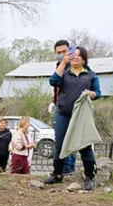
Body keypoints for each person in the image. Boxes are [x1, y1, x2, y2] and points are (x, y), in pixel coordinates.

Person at [43, 46, 100, 190]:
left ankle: (90, 177)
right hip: (63, 113)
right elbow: (53, 81)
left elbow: (98, 92)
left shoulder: (91, 75)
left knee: (85, 145)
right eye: (73, 56)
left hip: (80, 115)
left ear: (84, 59)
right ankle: (57, 174)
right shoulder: (65, 73)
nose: (75, 58)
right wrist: (63, 63)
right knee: (59, 145)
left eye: (78, 56)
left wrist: (92, 94)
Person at [51, 39, 77, 174]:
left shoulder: (75, 65)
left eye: (64, 51)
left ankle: (68, 167)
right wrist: (53, 101)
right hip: (60, 107)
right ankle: (61, 169)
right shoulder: (59, 65)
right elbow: (56, 85)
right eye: (59, 52)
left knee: (71, 139)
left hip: (73, 108)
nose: (61, 54)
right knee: (60, 140)